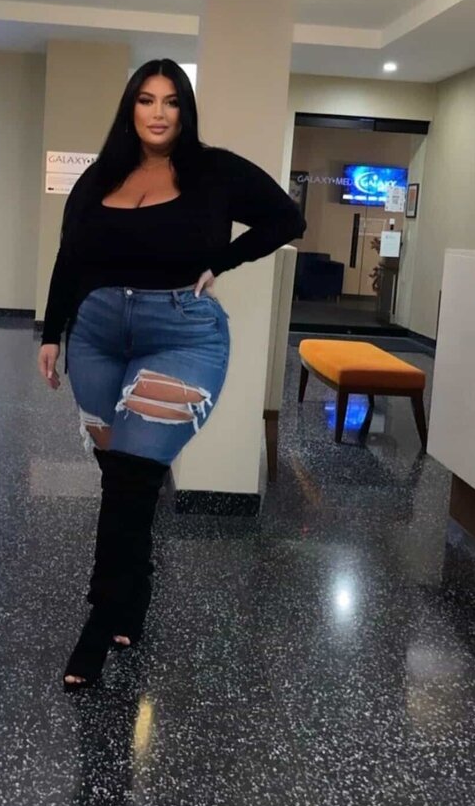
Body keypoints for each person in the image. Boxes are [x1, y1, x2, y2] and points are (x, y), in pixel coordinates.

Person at [37, 59, 306, 690]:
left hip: (181, 334)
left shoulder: (214, 170)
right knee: (120, 475)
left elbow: (286, 220)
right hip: (97, 334)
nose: (158, 112)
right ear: (130, 108)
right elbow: (70, 256)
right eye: (146, 99)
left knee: (133, 477)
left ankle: (100, 620)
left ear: (185, 110)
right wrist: (51, 332)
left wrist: (222, 261)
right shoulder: (100, 176)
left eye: (171, 101)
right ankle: (135, 591)